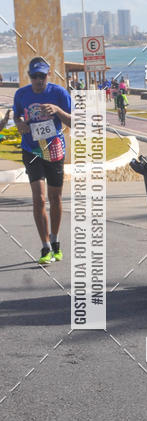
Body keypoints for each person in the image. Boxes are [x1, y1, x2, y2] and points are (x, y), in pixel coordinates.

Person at [12, 57, 72, 265]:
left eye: (42, 76)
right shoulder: (21, 94)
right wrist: (20, 125)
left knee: (55, 199)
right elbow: (17, 117)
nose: (38, 80)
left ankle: (55, 242)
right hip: (32, 150)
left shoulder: (59, 93)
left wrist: (58, 110)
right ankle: (45, 247)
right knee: (39, 198)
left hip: (54, 150)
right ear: (29, 76)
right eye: (34, 76)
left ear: (49, 75)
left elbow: (74, 122)